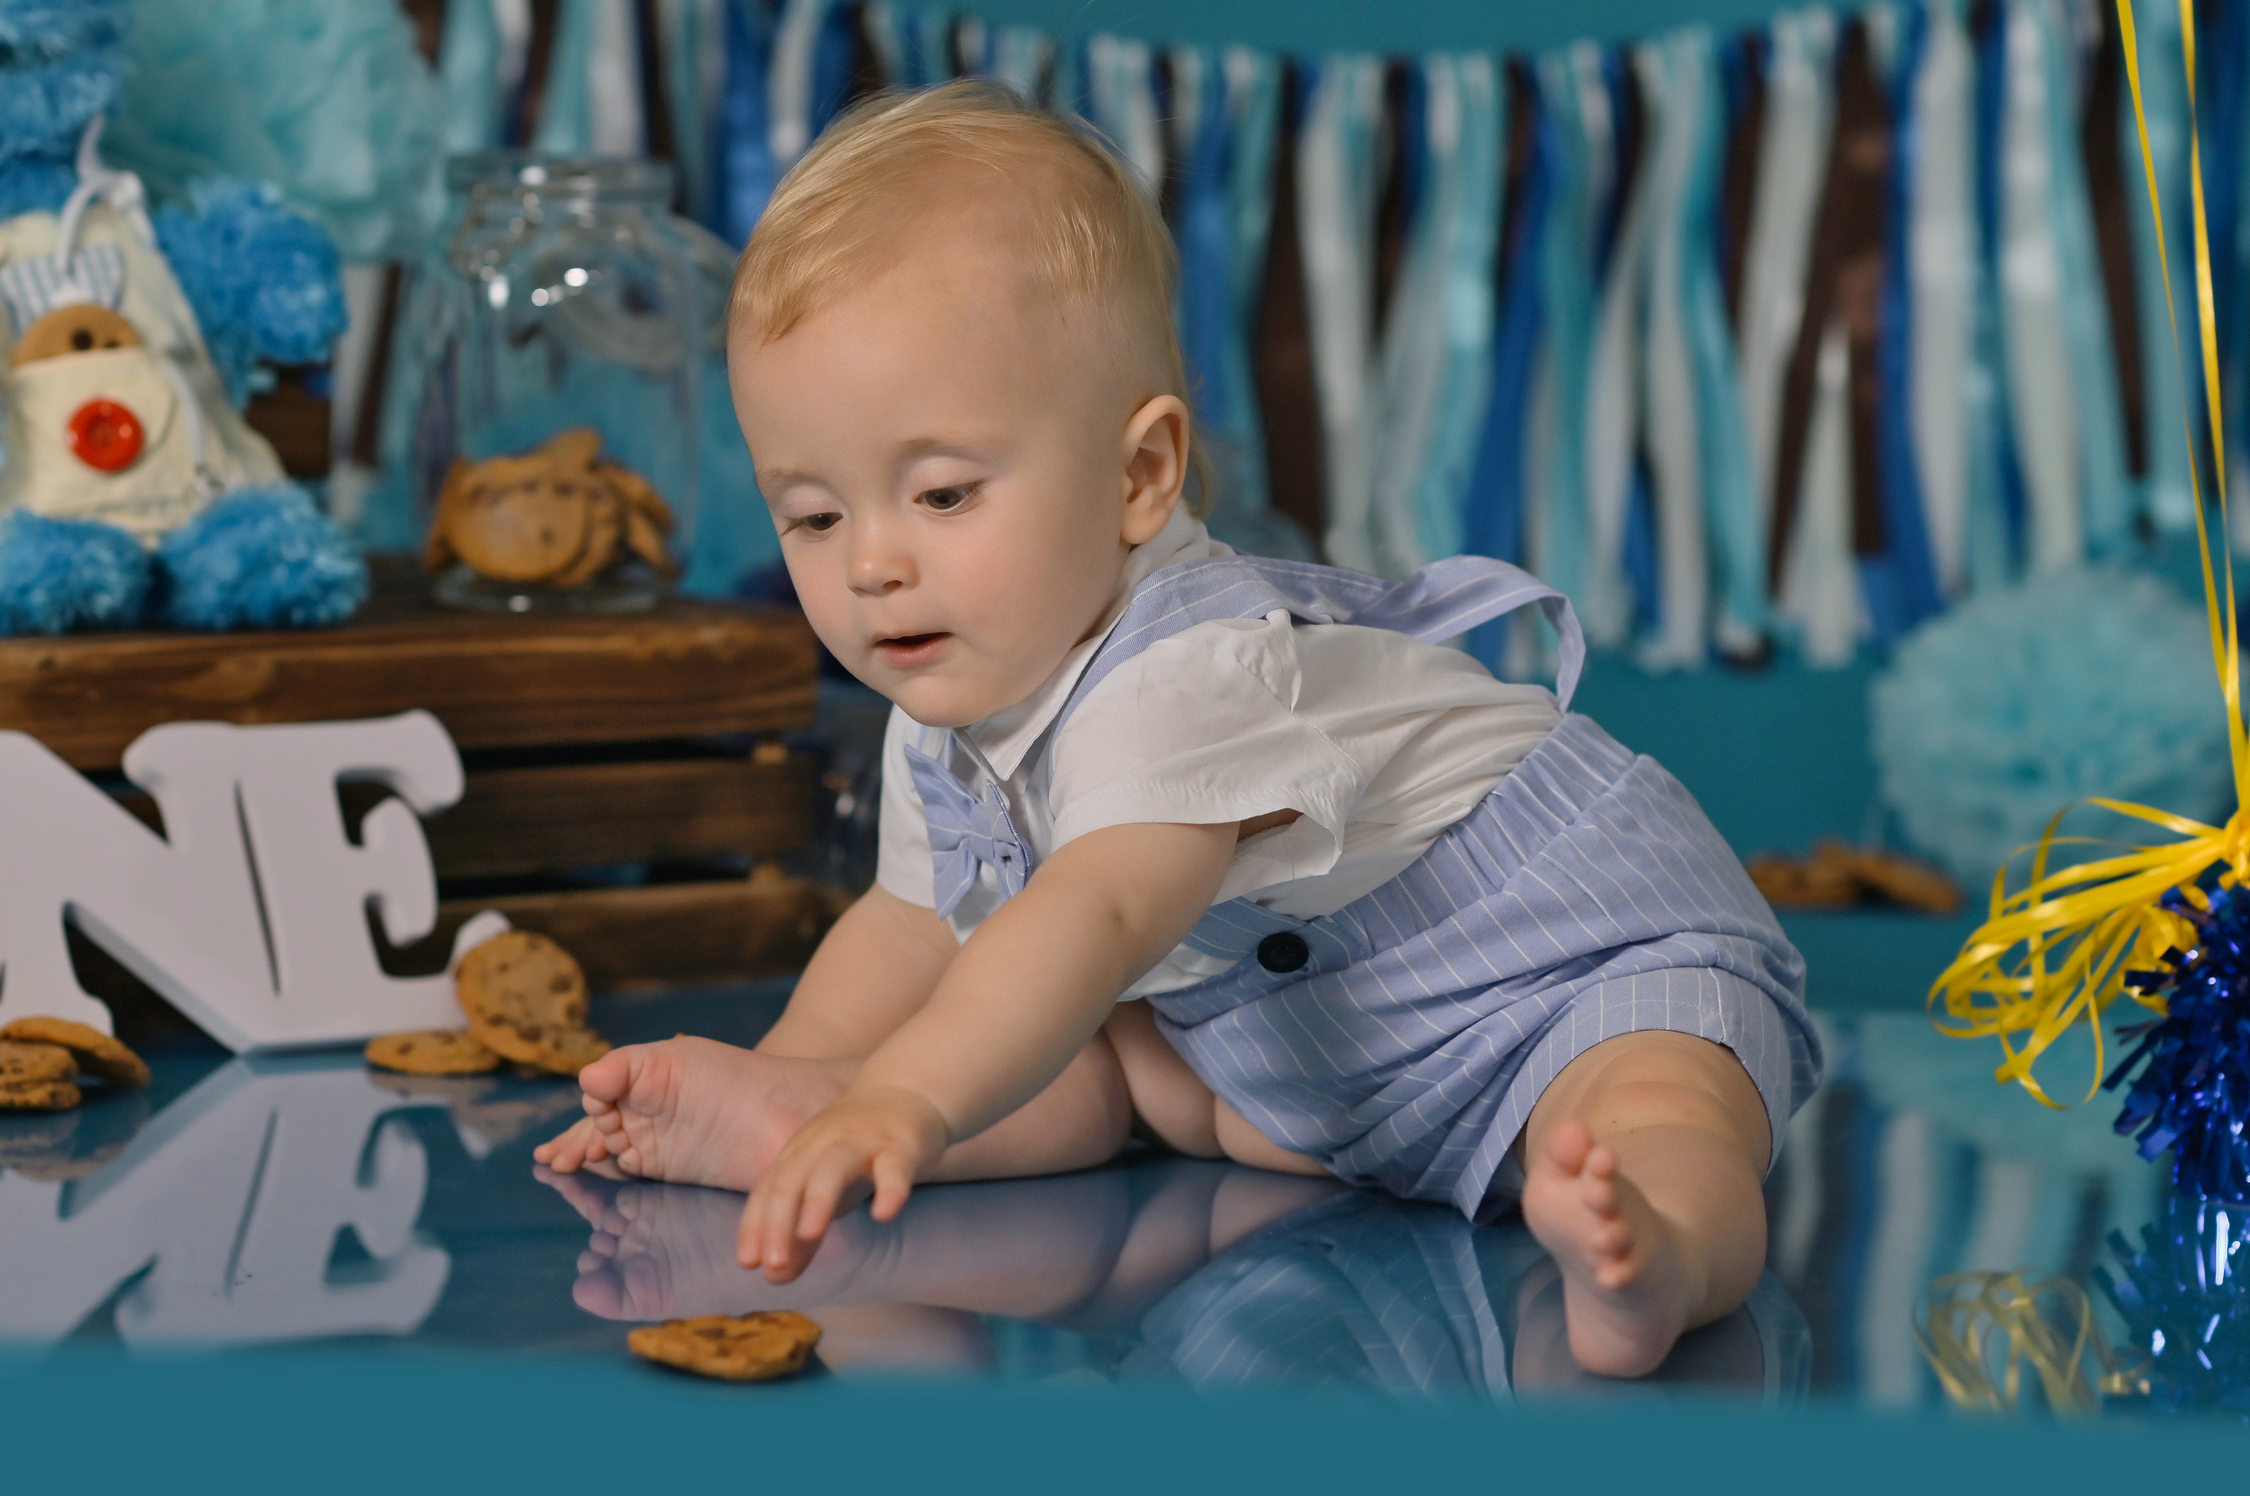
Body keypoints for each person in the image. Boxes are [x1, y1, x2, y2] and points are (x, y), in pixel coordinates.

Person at [538, 80, 1817, 1378]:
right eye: (812, 515)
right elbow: (912, 922)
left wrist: (903, 1096)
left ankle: (1649, 1258)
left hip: (1565, 972)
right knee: (1089, 1061)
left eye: (940, 492)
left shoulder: (1187, 665)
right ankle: (791, 1121)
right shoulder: (953, 692)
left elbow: (1097, 912)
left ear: (1139, 475)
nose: (872, 563)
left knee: (1659, 1105)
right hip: (1315, 1050)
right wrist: (811, 1085)